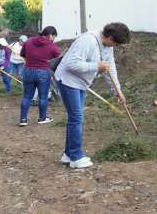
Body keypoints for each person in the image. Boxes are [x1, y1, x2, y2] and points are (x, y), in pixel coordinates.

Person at [54, 22, 130, 169]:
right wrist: (96, 66)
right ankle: (76, 157)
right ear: (109, 36)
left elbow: (110, 67)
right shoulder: (87, 41)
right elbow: (71, 63)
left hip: (81, 82)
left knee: (74, 118)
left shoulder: (108, 46)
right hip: (68, 80)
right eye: (114, 43)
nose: (114, 47)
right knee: (77, 118)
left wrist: (117, 92)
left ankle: (69, 154)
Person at [19, 26, 61, 127]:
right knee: (43, 97)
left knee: (27, 96)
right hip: (43, 72)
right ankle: (42, 118)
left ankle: (23, 119)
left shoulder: (28, 41)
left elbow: (22, 54)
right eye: (54, 37)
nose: (54, 39)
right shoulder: (52, 46)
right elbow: (59, 58)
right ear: (50, 35)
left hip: (28, 70)